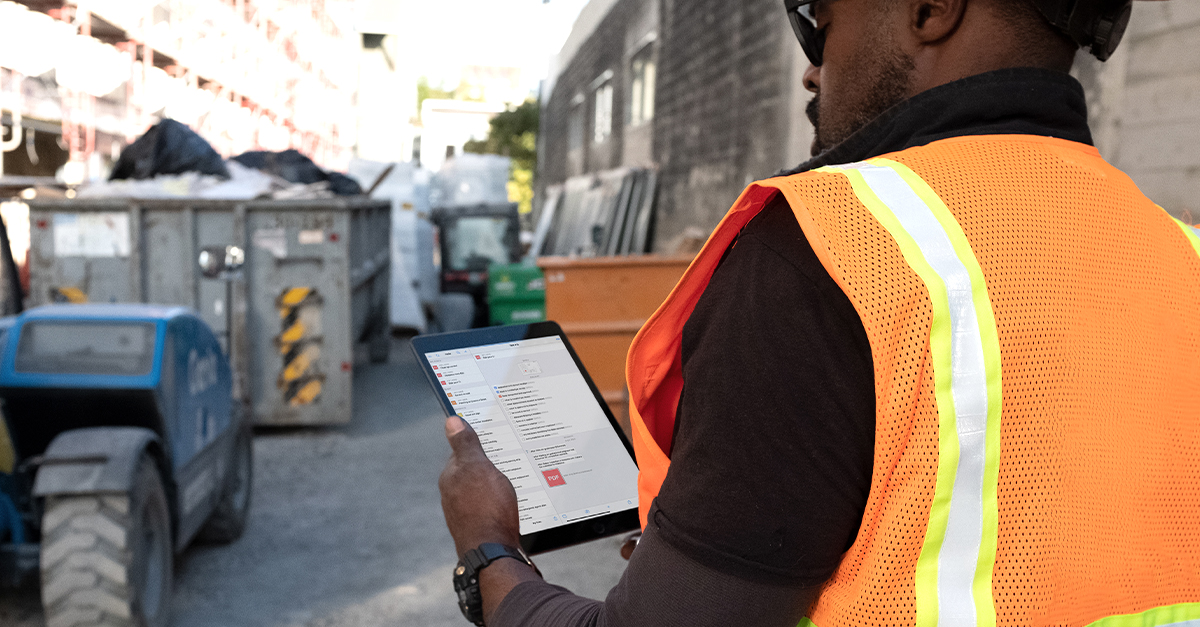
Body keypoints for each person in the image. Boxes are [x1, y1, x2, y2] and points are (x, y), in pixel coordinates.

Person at [439, 0, 1200, 625]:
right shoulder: (1182, 255)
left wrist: (490, 552)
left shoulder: (830, 249)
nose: (811, 63)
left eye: (820, 18)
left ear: (932, 11)